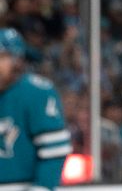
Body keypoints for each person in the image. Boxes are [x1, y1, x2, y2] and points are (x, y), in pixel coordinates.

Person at [0, 28, 72, 190]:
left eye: (2, 57)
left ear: (17, 59)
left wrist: (42, 187)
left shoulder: (36, 92)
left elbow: (54, 151)